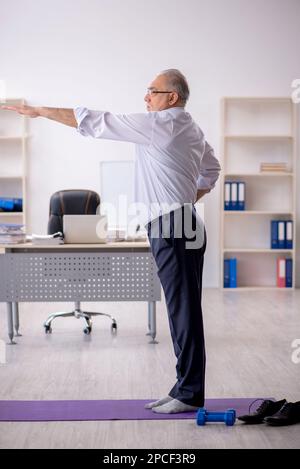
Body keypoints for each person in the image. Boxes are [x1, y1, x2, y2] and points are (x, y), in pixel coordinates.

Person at [1, 69, 221, 413]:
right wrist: (187, 198)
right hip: (185, 221)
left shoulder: (160, 124)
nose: (146, 97)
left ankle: (189, 392)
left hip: (171, 225)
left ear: (172, 97)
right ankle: (184, 386)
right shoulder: (191, 128)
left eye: (152, 90)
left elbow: (95, 120)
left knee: (182, 309)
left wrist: (42, 111)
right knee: (185, 308)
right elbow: (212, 169)